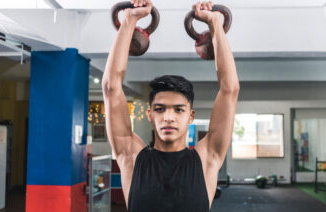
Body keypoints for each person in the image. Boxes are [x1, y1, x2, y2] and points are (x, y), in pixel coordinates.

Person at [102, 0, 239, 211]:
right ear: (149, 114)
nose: (168, 117)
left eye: (178, 109)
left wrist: (214, 24)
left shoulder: (205, 160)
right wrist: (129, 20)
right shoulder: (132, 157)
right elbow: (111, 88)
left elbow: (230, 90)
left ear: (190, 116)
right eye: (160, 109)